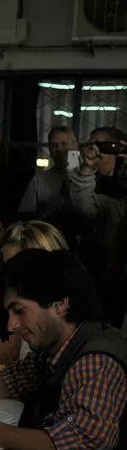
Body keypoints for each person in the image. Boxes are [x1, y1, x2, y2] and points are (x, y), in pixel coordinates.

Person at [0, 250, 127, 450]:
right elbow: (12, 380)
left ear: (60, 304)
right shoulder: (60, 344)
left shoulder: (96, 361)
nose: (12, 325)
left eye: (19, 310)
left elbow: (68, 448)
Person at [0, 220, 68, 378]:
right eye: (7, 268)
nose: (9, 279)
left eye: (17, 269)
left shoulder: (59, 323)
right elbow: (14, 348)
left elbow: (35, 383)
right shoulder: (28, 305)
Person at [67, 126, 127, 329]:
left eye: (104, 146)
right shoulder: (86, 179)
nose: (97, 151)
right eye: (93, 145)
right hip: (98, 272)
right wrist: (86, 168)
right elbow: (83, 205)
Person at [18, 125, 79, 220]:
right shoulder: (39, 181)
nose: (59, 149)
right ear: (50, 149)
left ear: (75, 146)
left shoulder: (87, 178)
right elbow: (25, 215)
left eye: (64, 144)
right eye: (54, 145)